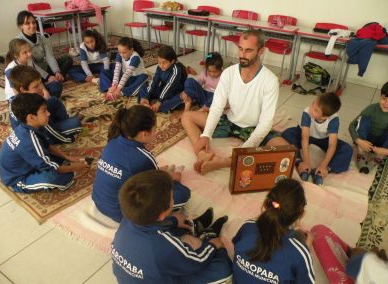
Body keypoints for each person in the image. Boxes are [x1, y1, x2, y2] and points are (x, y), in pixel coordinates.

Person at [180, 29, 279, 174]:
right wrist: (206, 135)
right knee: (187, 116)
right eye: (240, 49)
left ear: (261, 51)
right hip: (228, 121)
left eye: (248, 50)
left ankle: (223, 162)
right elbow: (217, 107)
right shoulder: (228, 73)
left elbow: (265, 123)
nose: (242, 55)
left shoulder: (270, 81)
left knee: (284, 150)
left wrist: (243, 149)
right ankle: (203, 155)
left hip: (252, 127)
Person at [111, 170, 232, 283]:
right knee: (222, 269)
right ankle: (207, 236)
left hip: (135, 274)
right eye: (172, 198)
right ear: (163, 214)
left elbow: (152, 228)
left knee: (172, 224)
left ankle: (193, 227)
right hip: (164, 271)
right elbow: (196, 261)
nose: (174, 199)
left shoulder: (128, 218)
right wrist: (212, 245)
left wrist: (173, 221)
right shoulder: (164, 247)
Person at [92, 105, 191, 223]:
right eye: (155, 129)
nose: (156, 132)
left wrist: (159, 172)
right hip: (123, 215)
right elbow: (156, 189)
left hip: (99, 202)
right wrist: (171, 177)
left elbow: (131, 172)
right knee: (183, 194)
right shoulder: (143, 157)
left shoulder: (113, 141)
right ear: (144, 134)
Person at [0, 93, 89, 193]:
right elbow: (52, 168)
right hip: (17, 178)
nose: (49, 113)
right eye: (44, 111)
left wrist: (68, 157)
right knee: (53, 178)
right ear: (31, 117)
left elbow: (48, 145)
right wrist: (74, 168)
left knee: (55, 159)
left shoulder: (31, 127)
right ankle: (22, 184)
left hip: (27, 163)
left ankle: (60, 167)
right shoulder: (28, 140)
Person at [232, 178, 315, 283]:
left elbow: (237, 246)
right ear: (301, 214)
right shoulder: (299, 254)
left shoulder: (247, 227)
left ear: (266, 203)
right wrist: (307, 247)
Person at [281, 92, 353, 185]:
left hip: (324, 140)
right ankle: (299, 162)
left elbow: (332, 144)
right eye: (313, 103)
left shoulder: (334, 119)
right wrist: (306, 162)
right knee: (287, 134)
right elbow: (305, 138)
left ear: (325, 117)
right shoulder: (307, 112)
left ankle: (322, 172)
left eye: (315, 110)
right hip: (308, 135)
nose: (311, 109)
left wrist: (324, 165)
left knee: (347, 150)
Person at [9, 65, 81, 144]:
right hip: (39, 134)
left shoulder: (18, 98)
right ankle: (62, 125)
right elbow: (47, 128)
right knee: (76, 123)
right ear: (22, 90)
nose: (41, 88)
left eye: (40, 83)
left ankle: (63, 122)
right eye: (36, 86)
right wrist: (70, 139)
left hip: (41, 123)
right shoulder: (30, 105)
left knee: (53, 100)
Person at [16, 10, 73, 80]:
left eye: (33, 22)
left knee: (68, 59)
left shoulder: (41, 38)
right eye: (27, 23)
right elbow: (30, 64)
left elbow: (49, 56)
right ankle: (48, 82)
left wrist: (57, 72)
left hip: (45, 68)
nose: (32, 25)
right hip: (31, 72)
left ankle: (56, 78)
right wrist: (47, 77)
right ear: (21, 26)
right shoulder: (18, 42)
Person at [348, 81, 388, 174]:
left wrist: (386, 151)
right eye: (384, 98)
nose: (386, 103)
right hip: (366, 139)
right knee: (364, 120)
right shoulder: (371, 108)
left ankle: (377, 158)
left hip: (381, 143)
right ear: (380, 96)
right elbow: (351, 126)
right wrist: (359, 141)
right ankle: (360, 153)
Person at [139, 46, 187, 113]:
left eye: (164, 63)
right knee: (143, 86)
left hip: (173, 93)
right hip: (163, 91)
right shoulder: (159, 67)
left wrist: (159, 102)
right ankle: (145, 102)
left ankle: (158, 106)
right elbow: (154, 81)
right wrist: (146, 97)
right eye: (159, 62)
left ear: (172, 61)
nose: (161, 65)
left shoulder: (176, 70)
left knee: (175, 100)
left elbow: (169, 87)